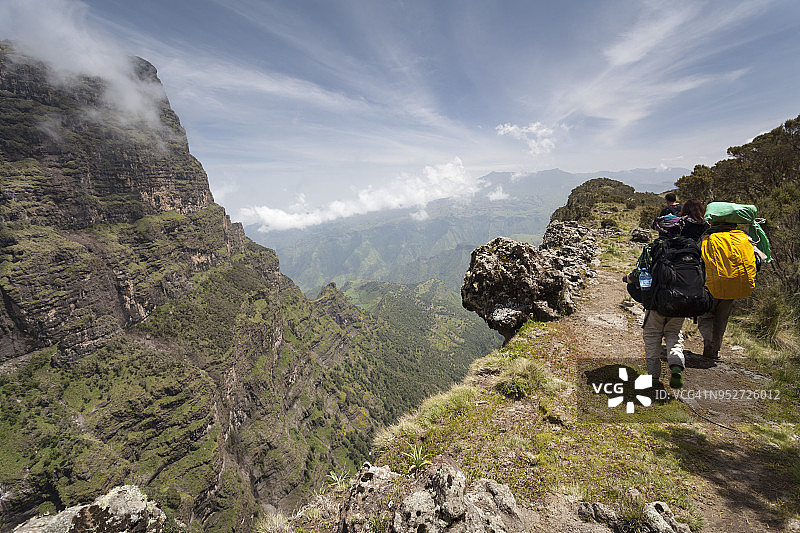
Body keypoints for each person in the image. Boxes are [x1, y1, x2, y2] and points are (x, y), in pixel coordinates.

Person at [622, 222, 685, 388]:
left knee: (652, 336)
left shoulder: (653, 249)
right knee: (674, 334)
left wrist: (627, 278)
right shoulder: (689, 248)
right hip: (681, 302)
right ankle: (676, 366)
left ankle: (654, 377)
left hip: (657, 302)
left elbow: (639, 273)